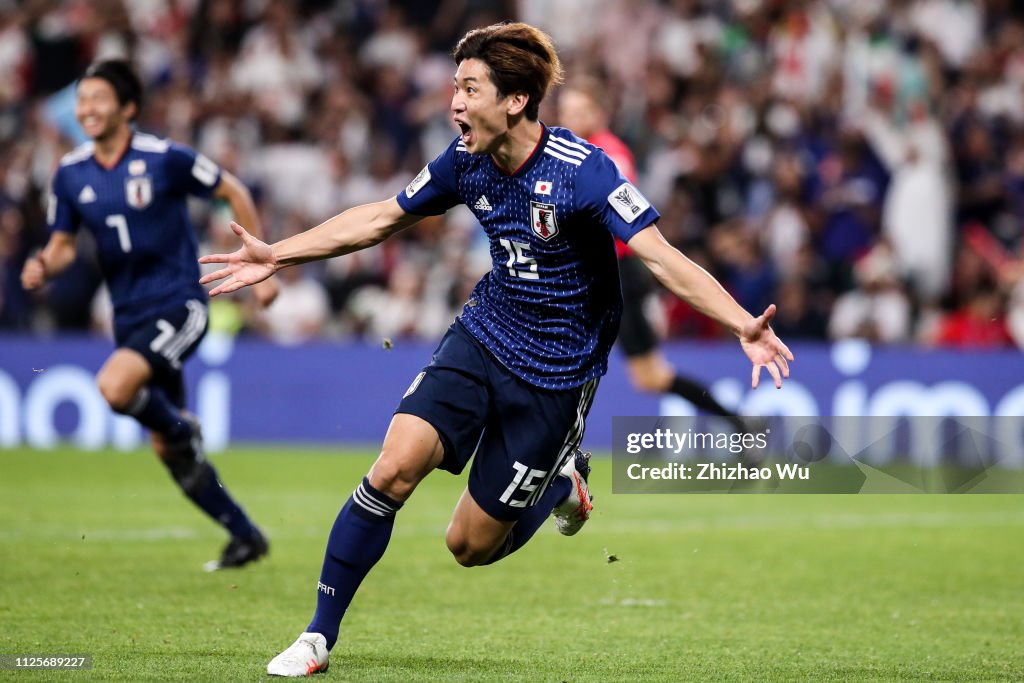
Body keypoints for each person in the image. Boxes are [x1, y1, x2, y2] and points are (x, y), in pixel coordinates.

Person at [199, 23, 792, 676]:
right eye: (455, 86)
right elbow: (380, 217)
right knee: (393, 468)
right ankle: (317, 635)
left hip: (556, 378)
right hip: (483, 336)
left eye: (470, 87)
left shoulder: (585, 172)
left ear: (515, 100)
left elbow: (662, 257)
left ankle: (562, 482)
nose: (454, 101)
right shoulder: (464, 160)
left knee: (468, 545)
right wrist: (276, 253)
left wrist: (743, 322)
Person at [21, 59, 279, 571]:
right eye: (82, 100)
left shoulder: (164, 159)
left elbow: (234, 191)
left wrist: (262, 272)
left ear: (128, 108)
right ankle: (245, 535)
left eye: (98, 98)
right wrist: (43, 265)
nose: (86, 109)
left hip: (180, 303)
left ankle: (184, 428)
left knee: (115, 387)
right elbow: (64, 246)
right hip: (129, 316)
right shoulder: (71, 173)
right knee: (166, 449)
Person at [557, 79, 753, 435]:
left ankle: (551, 454)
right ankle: (739, 423)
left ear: (598, 114)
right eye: (566, 111)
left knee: (568, 359)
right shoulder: (574, 153)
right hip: (597, 273)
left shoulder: (607, 155)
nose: (570, 119)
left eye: (579, 111)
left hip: (613, 273)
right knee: (649, 377)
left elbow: (610, 212)